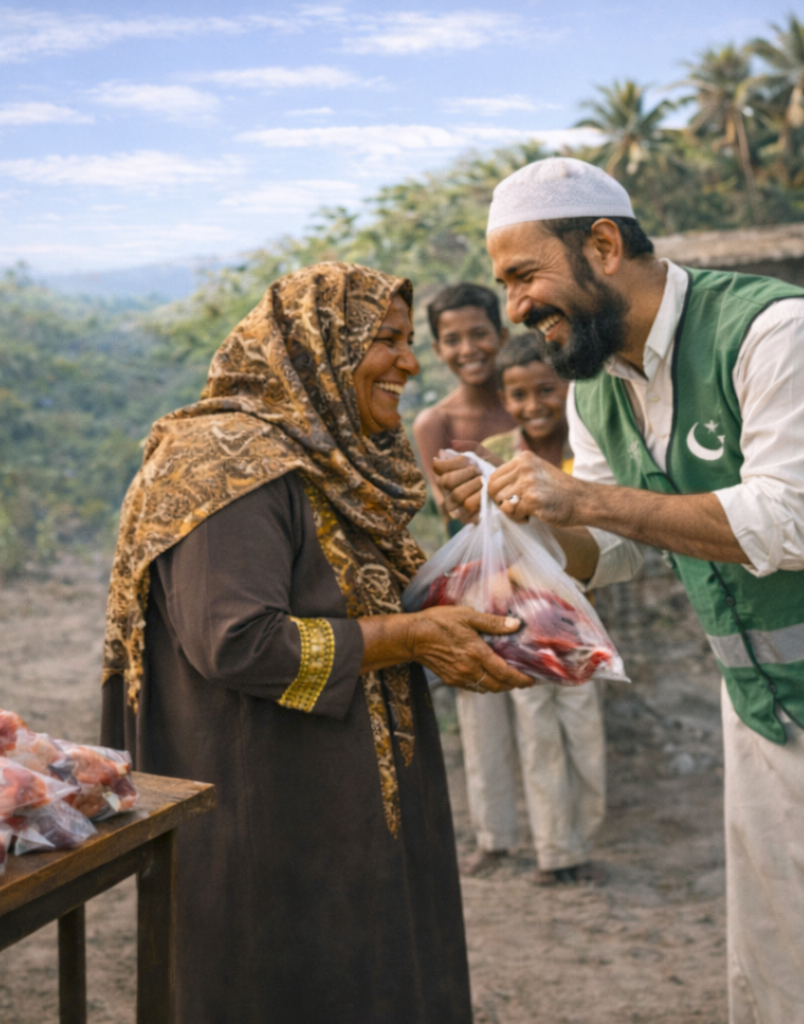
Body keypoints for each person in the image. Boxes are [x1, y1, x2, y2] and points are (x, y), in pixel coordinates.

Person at [435, 158, 804, 1023]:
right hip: (761, 706)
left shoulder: (781, 333)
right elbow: (614, 544)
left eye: (524, 276)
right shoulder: (600, 386)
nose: (516, 308)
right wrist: (516, 514)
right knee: (783, 959)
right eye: (505, 286)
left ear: (602, 243)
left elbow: (792, 526)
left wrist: (583, 496)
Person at [100, 262, 533, 1024]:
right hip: (265, 816)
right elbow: (235, 642)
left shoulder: (328, 459)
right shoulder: (226, 462)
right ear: (316, 345)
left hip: (337, 807)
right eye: (386, 339)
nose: (409, 361)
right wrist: (412, 636)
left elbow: (347, 593)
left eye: (408, 341)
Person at [462, 331, 608, 886]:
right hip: (520, 622)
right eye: (518, 396)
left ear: (568, 388)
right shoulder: (499, 456)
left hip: (576, 622)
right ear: (504, 398)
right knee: (539, 735)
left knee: (583, 737)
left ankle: (580, 838)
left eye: (545, 390)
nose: (533, 406)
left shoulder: (587, 457)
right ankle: (557, 853)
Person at [413, 282, 515, 536]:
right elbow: (452, 512)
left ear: (502, 337)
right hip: (489, 556)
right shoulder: (436, 424)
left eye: (479, 334)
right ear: (438, 349)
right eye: (452, 340)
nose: (468, 350)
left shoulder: (534, 405)